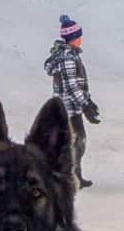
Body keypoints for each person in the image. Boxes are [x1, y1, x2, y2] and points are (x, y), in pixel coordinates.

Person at [43, 15, 100, 189]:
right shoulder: (68, 58)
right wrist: (85, 106)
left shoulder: (69, 55)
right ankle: (69, 177)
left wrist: (89, 102)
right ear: (72, 38)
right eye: (78, 36)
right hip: (69, 110)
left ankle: (74, 175)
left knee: (74, 143)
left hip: (70, 109)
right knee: (76, 143)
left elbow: (78, 85)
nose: (80, 39)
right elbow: (72, 86)